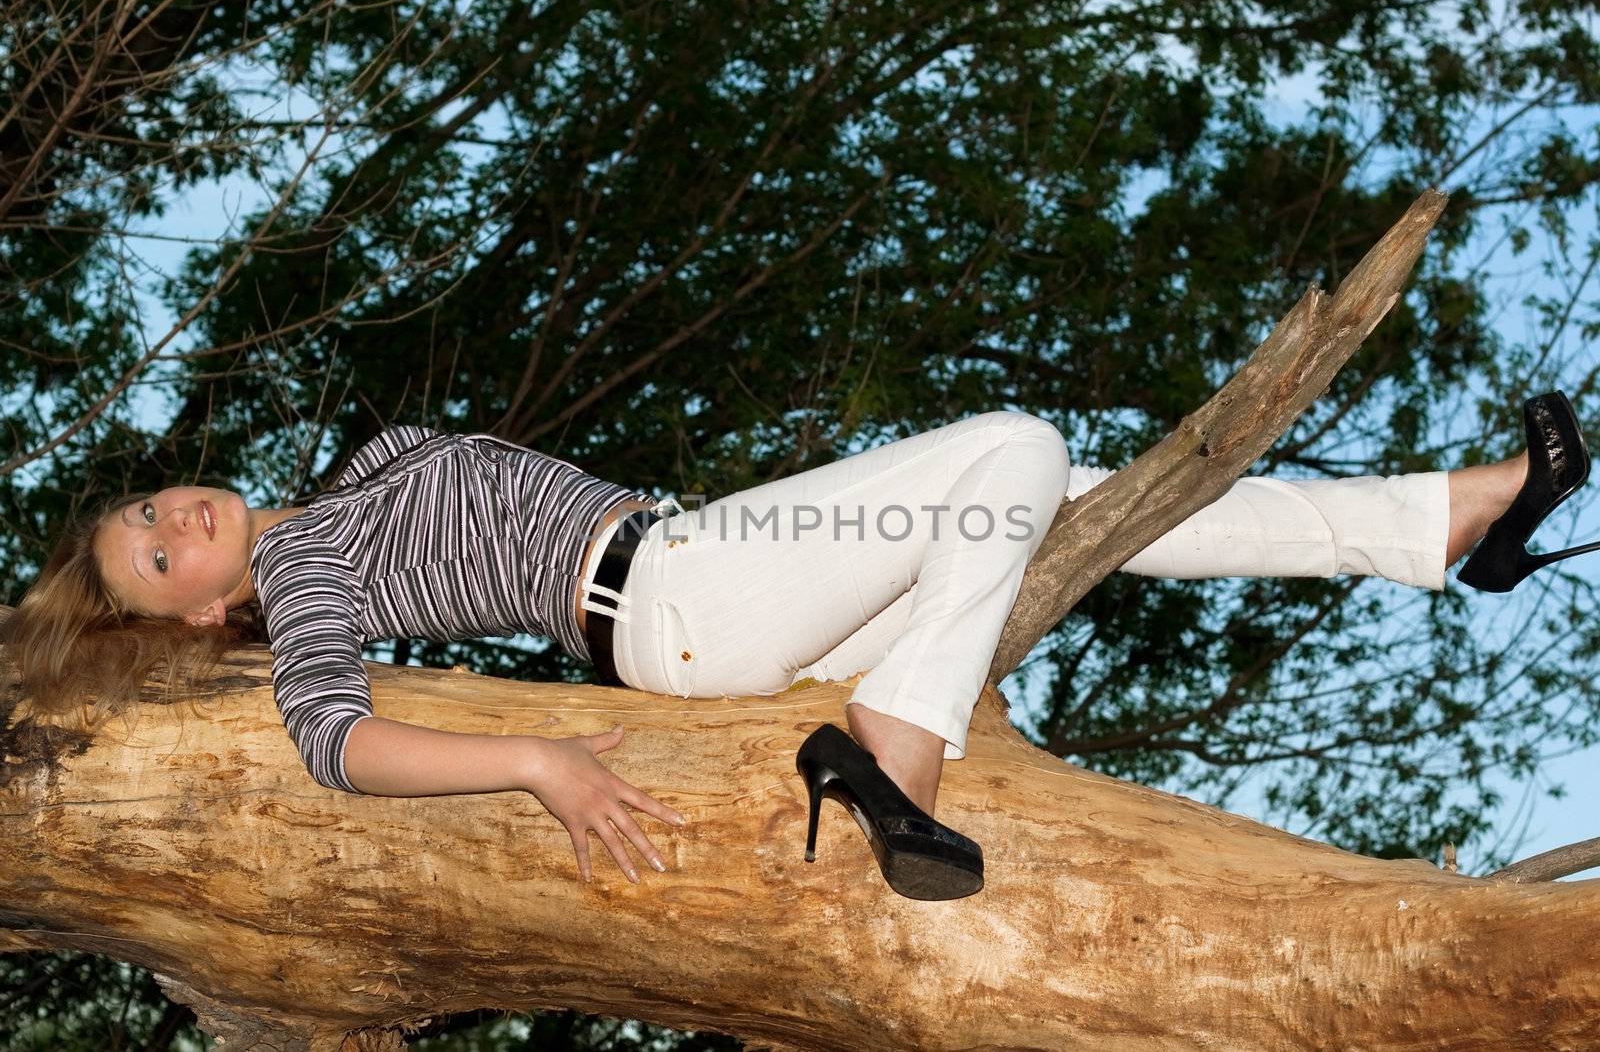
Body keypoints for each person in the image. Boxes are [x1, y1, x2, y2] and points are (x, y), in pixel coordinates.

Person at [3, 394, 1593, 901]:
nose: (175, 521)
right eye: (155, 559)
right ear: (204, 614)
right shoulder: (314, 569)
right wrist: (541, 763)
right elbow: (338, 744)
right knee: (1019, 443)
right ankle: (897, 748)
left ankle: (1444, 523)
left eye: (156, 505)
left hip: (711, 567)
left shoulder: (343, 486)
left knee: (1087, 502)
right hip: (674, 594)